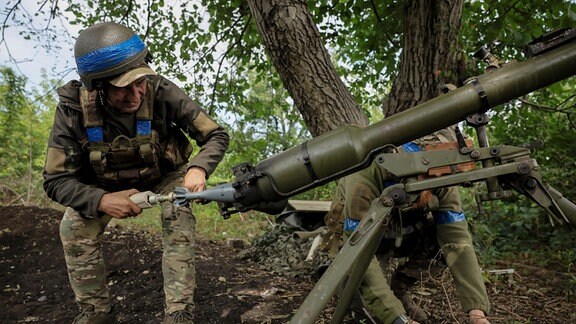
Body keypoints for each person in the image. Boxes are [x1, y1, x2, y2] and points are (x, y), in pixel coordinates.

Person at [43, 22, 229, 324]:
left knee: (177, 213)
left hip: (164, 176)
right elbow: (55, 181)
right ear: (98, 86)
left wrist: (198, 168)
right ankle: (96, 312)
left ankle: (179, 313)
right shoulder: (72, 111)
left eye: (140, 82)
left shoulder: (161, 91)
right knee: (74, 227)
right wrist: (102, 200)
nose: (136, 93)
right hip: (104, 186)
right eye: (123, 86)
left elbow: (216, 135)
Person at [322, 127, 491, 324]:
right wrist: (398, 319)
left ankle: (399, 289)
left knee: (441, 243)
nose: (437, 182)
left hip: (404, 231)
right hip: (360, 239)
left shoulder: (442, 175)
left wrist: (477, 312)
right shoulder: (366, 174)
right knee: (367, 314)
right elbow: (359, 250)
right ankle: (356, 294)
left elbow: (457, 240)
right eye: (429, 176)